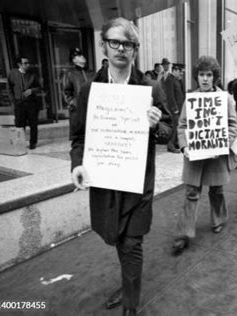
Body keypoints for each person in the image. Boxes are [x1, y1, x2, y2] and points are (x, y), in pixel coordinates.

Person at [70, 17, 163, 315]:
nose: (121, 49)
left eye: (128, 44)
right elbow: (78, 137)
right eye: (115, 42)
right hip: (105, 182)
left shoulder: (150, 88)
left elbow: (170, 133)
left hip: (138, 186)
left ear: (135, 50)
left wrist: (156, 126)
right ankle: (127, 284)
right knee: (116, 239)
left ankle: (130, 306)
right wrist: (77, 165)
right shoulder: (89, 90)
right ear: (104, 46)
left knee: (132, 244)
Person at [172, 56, 237, 255]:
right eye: (201, 74)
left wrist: (222, 143)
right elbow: (182, 125)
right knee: (191, 192)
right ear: (197, 77)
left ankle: (218, 219)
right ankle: (183, 233)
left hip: (216, 157)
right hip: (194, 156)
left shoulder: (224, 99)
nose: (205, 79)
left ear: (215, 77)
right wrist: (184, 147)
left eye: (209, 75)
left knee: (216, 190)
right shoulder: (190, 98)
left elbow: (233, 125)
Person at [8, 55, 42, 149]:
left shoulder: (33, 74)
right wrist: (13, 100)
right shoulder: (12, 73)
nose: (28, 65)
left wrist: (32, 91)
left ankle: (33, 143)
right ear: (19, 64)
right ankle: (20, 143)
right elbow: (9, 87)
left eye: (28, 63)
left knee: (33, 124)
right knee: (19, 125)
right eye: (25, 63)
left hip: (31, 103)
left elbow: (39, 87)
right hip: (19, 103)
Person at [63, 47, 94, 136]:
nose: (82, 57)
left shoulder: (91, 73)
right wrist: (75, 103)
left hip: (91, 109)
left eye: (82, 55)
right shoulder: (70, 74)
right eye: (78, 56)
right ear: (73, 60)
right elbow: (66, 93)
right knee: (79, 138)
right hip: (78, 111)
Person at [160, 58, 183, 153]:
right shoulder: (170, 79)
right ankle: (171, 145)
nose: (181, 74)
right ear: (175, 70)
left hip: (179, 107)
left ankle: (176, 142)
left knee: (178, 126)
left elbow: (180, 92)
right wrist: (174, 108)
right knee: (174, 126)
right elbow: (170, 95)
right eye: (180, 72)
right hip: (174, 108)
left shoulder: (175, 79)